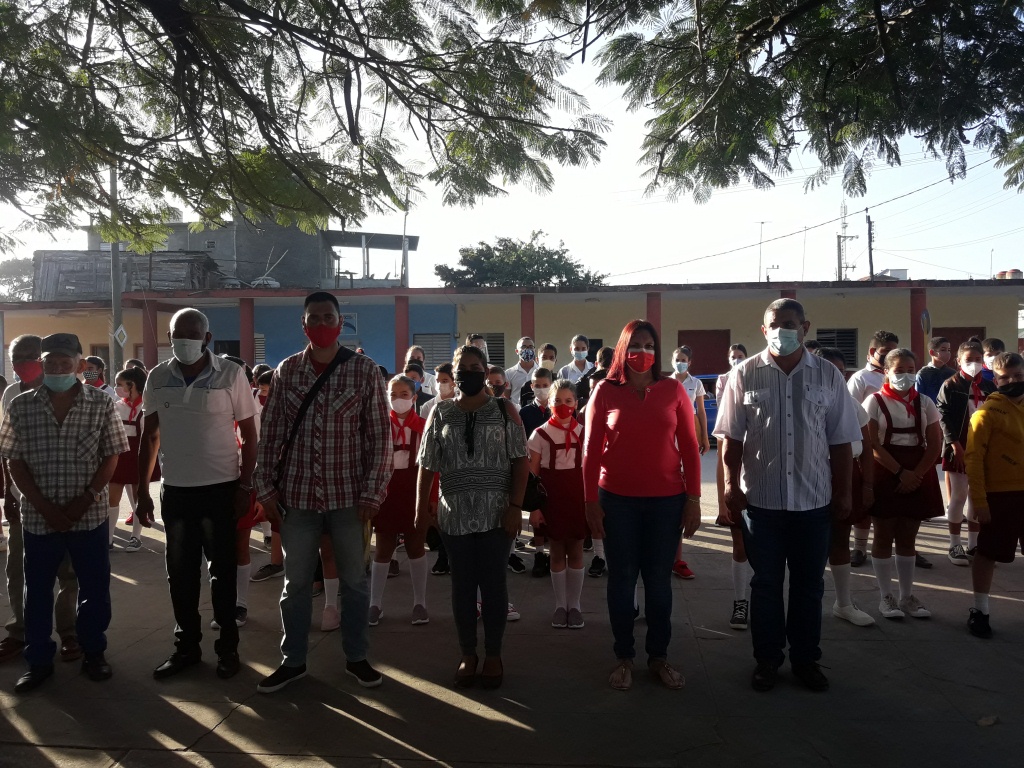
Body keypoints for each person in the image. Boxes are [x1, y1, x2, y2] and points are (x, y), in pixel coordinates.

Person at [716, 299, 860, 693]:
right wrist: (729, 485)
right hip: (761, 503)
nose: (783, 330)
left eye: (790, 323)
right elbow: (731, 437)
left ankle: (805, 659)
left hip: (814, 503)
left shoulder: (828, 376)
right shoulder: (744, 375)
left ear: (806, 327)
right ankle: (767, 659)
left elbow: (842, 441)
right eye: (775, 324)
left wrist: (844, 494)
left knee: (809, 585)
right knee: (765, 585)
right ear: (764, 330)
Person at [253, 292, 392, 694]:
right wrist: (265, 489)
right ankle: (292, 660)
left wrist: (373, 492)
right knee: (295, 585)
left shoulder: (364, 371)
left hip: (350, 498)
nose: (321, 323)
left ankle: (356, 658)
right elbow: (272, 431)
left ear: (339, 322)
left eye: (328, 316)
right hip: (297, 497)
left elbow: (379, 439)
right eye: (313, 317)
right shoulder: (286, 371)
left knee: (354, 582)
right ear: (304, 324)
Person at [0, 333, 128, 692]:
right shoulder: (21, 406)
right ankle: (38, 660)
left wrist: (85, 499)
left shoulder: (101, 404)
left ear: (80, 365)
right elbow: (14, 460)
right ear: (43, 364)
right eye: (50, 363)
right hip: (39, 519)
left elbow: (111, 455)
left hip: (88, 517)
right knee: (36, 591)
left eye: (64, 362)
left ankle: (93, 653)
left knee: (93, 589)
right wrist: (43, 507)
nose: (57, 368)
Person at [136, 308, 258, 682]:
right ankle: (186, 647)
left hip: (221, 489)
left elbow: (251, 434)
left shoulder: (231, 374)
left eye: (192, 333)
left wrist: (246, 484)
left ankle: (228, 650)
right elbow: (150, 436)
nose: (184, 341)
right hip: (177, 492)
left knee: (222, 572)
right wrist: (143, 490)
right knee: (181, 574)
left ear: (206, 338)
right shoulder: (157, 376)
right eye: (177, 333)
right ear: (169, 336)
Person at [584, 319, 702, 691]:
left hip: (667, 501)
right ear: (622, 349)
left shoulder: (673, 390)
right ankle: (624, 657)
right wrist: (589, 502)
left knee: (658, 583)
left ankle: (659, 657)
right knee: (621, 580)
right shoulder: (604, 391)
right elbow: (589, 453)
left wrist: (694, 499)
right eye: (635, 345)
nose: (643, 352)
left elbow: (690, 449)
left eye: (650, 345)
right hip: (616, 502)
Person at [416, 344, 529, 689]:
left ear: (485, 371)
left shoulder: (504, 409)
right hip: (454, 517)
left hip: (498, 517)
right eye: (462, 367)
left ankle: (493, 654)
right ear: (454, 373)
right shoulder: (440, 413)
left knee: (494, 587)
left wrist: (515, 508)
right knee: (462, 589)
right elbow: (426, 465)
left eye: (475, 366)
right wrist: (421, 510)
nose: (469, 372)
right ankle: (468, 653)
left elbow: (521, 461)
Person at [0, 335, 82, 667]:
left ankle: (69, 632)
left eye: (32, 356)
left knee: (68, 572)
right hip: (27, 503)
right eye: (18, 358)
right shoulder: (12, 395)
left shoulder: (76, 395)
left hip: (69, 501)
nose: (24, 364)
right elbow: (8, 451)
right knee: (19, 569)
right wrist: (9, 493)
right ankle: (21, 632)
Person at [864, 348, 943, 620]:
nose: (905, 376)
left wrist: (917, 474)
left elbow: (935, 442)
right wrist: (900, 473)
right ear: (886, 372)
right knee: (883, 535)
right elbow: (872, 443)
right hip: (886, 470)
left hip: (918, 470)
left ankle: (907, 596)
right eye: (899, 371)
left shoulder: (925, 403)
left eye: (911, 370)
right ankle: (886, 597)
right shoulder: (873, 402)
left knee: (908, 537)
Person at [814, 347, 876, 627]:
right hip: (814, 476)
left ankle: (843, 603)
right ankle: (805, 604)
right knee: (810, 546)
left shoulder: (852, 404)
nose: (835, 376)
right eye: (829, 370)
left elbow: (866, 449)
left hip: (847, 476)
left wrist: (866, 486)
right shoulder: (806, 401)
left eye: (840, 372)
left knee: (840, 539)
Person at [964, 352, 1024, 639]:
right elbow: (974, 459)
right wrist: (979, 500)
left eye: (1018, 376)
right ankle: (980, 610)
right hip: (1001, 495)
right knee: (988, 553)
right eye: (1005, 377)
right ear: (994, 379)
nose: (1013, 381)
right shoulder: (986, 413)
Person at [369, 375, 430, 627]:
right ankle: (375, 603)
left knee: (416, 547)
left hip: (415, 489)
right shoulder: (380, 426)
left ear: (414, 398)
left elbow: (432, 466)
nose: (398, 399)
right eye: (392, 395)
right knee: (383, 547)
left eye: (404, 394)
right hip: (386, 491)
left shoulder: (425, 426)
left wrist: (431, 499)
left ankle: (420, 603)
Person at [529, 379, 587, 629]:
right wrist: (534, 507)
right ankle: (559, 605)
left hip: (578, 497)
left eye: (568, 401)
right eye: (557, 401)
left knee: (575, 550)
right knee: (556, 551)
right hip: (551, 498)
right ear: (549, 403)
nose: (563, 405)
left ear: (576, 404)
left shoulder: (585, 432)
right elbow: (532, 475)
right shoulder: (539, 434)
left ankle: (575, 605)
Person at [846, 330, 904, 569]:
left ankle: (905, 547)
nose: (890, 356)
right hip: (870, 448)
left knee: (896, 503)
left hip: (897, 448)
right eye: (885, 352)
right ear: (872, 352)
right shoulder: (861, 379)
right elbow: (850, 413)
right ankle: (859, 548)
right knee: (866, 501)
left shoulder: (900, 375)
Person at [937, 339, 995, 565]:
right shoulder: (951, 385)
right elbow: (943, 417)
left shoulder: (989, 387)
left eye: (978, 359)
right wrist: (955, 445)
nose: (974, 363)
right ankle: (954, 545)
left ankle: (974, 544)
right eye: (969, 360)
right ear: (958, 360)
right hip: (958, 448)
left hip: (983, 450)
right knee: (959, 497)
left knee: (977, 496)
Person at [715, 343, 751, 629]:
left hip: (773, 485)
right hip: (742, 480)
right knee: (739, 545)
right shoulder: (730, 384)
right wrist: (727, 488)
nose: (737, 361)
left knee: (770, 553)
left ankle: (763, 605)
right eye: (733, 357)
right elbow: (726, 445)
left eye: (741, 356)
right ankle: (741, 603)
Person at [669, 345, 708, 582]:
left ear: (690, 362)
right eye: (677, 359)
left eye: (684, 359)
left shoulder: (696, 384)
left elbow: (700, 411)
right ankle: (660, 557)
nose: (680, 363)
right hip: (667, 444)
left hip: (687, 442)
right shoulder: (664, 383)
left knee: (682, 499)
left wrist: (704, 436)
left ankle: (677, 559)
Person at [109, 367, 157, 552]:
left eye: (120, 384)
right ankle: (108, 538)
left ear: (132, 385)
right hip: (119, 455)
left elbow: (152, 437)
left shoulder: (147, 406)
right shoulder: (117, 405)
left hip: (140, 455)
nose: (117, 388)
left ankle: (136, 537)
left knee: (139, 496)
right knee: (112, 498)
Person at [916, 337, 955, 404]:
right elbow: (918, 397)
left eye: (948, 350)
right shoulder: (923, 374)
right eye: (943, 350)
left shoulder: (952, 373)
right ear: (932, 352)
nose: (947, 353)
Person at [504, 337, 536, 407]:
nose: (528, 349)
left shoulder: (540, 371)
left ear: (534, 350)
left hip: (536, 413)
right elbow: (506, 397)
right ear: (517, 351)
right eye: (524, 347)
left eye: (531, 347)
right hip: (517, 413)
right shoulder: (509, 373)